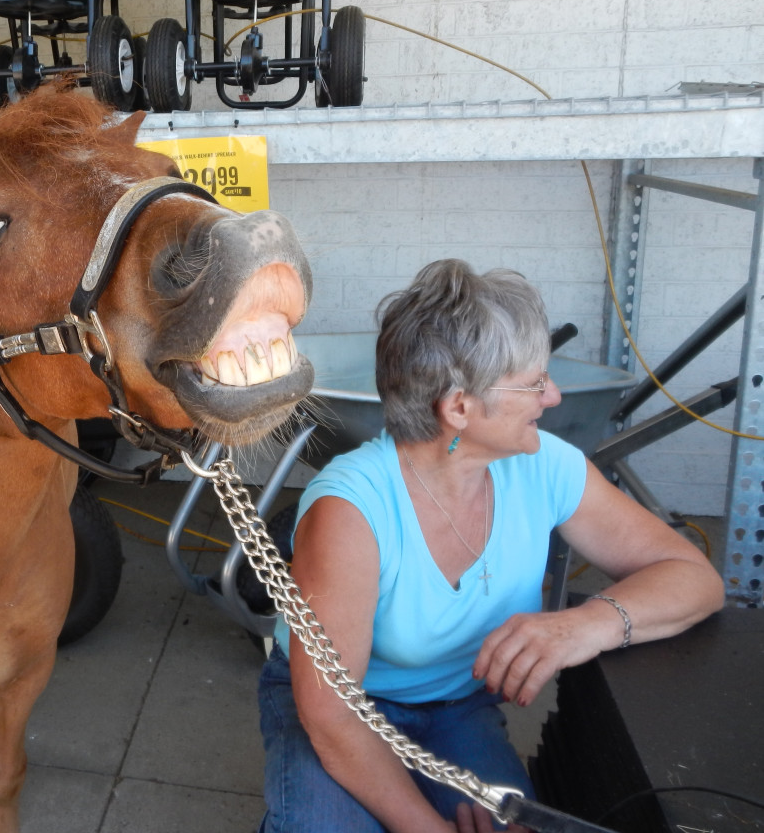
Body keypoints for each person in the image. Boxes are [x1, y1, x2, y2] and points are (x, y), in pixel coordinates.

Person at [257, 259, 724, 833]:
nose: (552, 396)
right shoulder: (351, 509)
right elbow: (331, 714)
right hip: (348, 710)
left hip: (457, 709)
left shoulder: (545, 467)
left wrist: (586, 624)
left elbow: (693, 576)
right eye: (533, 383)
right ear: (459, 408)